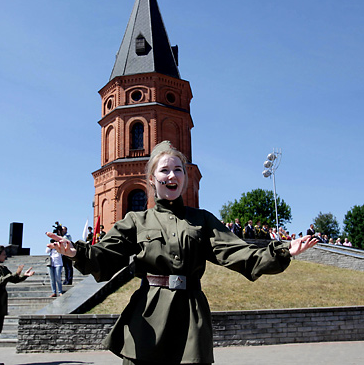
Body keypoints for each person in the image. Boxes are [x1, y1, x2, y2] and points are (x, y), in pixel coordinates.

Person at [71, 139, 315, 361]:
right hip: (148, 313)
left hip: (191, 313)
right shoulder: (137, 221)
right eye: (164, 170)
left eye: (178, 169)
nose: (172, 175)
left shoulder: (203, 220)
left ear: (185, 179)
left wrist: (282, 251)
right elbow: (106, 256)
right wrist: (76, 253)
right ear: (152, 179)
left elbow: (238, 252)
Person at [0, 247, 34, 365]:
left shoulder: (2, 268)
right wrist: (15, 274)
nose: (5, 256)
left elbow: (13, 279)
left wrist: (24, 275)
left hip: (0, 302)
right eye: (4, 254)